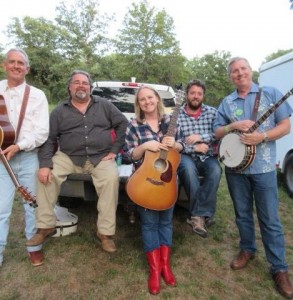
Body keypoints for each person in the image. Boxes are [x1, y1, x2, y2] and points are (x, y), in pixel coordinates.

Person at [213, 57, 293, 299]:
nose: (239, 74)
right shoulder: (227, 102)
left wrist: (263, 136)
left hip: (264, 168)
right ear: (230, 77)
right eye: (234, 72)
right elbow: (217, 131)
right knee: (242, 215)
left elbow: (286, 126)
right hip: (235, 169)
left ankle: (279, 267)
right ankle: (247, 249)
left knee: (270, 219)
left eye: (243, 69)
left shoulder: (270, 93)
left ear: (250, 71)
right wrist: (232, 126)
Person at [26, 70, 128, 253]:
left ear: (90, 87)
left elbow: (122, 123)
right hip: (68, 156)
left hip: (100, 156)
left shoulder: (104, 105)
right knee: (46, 176)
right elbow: (49, 139)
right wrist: (44, 165)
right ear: (70, 87)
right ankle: (45, 226)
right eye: (77, 82)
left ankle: (105, 234)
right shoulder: (59, 111)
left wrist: (114, 150)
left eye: (85, 83)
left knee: (111, 179)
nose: (81, 85)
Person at [124, 86, 183, 295]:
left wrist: (175, 144)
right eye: (142, 99)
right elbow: (128, 155)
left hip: (167, 181)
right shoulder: (133, 125)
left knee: (165, 222)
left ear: (157, 99)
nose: (147, 101)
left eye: (150, 97)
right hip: (145, 181)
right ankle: (154, 269)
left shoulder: (170, 122)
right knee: (149, 224)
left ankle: (166, 266)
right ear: (138, 104)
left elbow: (183, 146)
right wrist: (145, 146)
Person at [0, 48, 49, 267]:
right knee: (1, 209)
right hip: (2, 160)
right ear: (4, 65)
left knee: (31, 204)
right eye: (12, 62)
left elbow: (41, 132)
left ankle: (33, 247)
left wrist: (18, 146)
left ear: (27, 68)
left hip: (27, 156)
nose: (16, 66)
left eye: (21, 63)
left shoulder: (37, 95)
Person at [177, 79, 222, 238]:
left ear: (203, 95)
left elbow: (218, 134)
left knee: (216, 171)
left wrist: (200, 137)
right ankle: (200, 216)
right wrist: (193, 147)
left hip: (206, 155)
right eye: (192, 93)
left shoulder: (212, 112)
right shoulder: (176, 115)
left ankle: (199, 215)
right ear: (187, 95)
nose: (196, 96)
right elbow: (174, 141)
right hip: (185, 155)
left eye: (199, 93)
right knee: (189, 171)